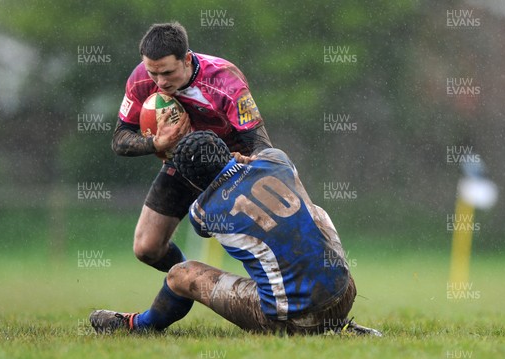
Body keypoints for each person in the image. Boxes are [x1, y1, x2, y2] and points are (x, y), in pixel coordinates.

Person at [91, 131, 382, 336]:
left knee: (182, 274)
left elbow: (211, 212)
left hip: (294, 318)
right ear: (227, 152)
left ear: (193, 181)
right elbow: (256, 164)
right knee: (313, 212)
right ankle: (334, 325)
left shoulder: (203, 212)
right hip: (345, 290)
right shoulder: (276, 160)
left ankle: (138, 326)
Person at [112, 22, 271, 274]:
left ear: (186, 59)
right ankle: (193, 282)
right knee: (147, 247)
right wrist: (156, 143)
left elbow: (262, 146)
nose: (160, 82)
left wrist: (244, 162)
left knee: (265, 245)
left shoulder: (225, 80)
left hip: (231, 169)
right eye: (153, 73)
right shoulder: (141, 78)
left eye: (167, 72)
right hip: (182, 164)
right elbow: (120, 139)